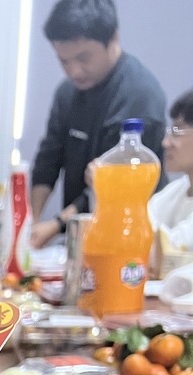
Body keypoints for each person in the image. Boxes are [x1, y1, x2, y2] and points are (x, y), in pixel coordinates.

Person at [29, 0, 167, 249]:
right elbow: (47, 160)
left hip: (128, 238)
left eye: (83, 58)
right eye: (64, 61)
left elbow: (113, 179)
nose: (74, 71)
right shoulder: (67, 93)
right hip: (82, 237)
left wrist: (56, 225)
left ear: (113, 38)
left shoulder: (139, 94)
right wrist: (33, 220)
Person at [149, 90, 193, 273]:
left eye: (177, 132)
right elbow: (136, 232)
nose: (165, 143)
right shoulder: (175, 190)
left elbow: (169, 254)